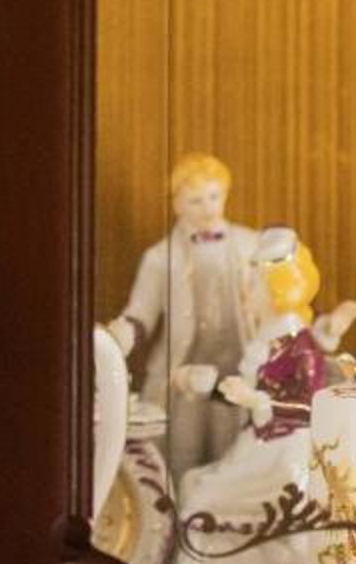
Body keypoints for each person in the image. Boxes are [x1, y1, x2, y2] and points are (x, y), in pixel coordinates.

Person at [150, 229, 356, 564]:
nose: (246, 293)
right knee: (196, 487)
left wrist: (255, 401)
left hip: (288, 451)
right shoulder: (267, 337)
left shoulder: (299, 345)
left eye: (254, 285)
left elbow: (308, 408)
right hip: (260, 443)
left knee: (206, 499)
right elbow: (248, 394)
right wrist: (209, 386)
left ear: (276, 290)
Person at [104, 152, 265, 480]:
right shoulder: (160, 257)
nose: (207, 208)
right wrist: (124, 333)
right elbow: (141, 312)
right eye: (195, 200)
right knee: (183, 452)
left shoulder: (251, 246)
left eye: (214, 196)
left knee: (233, 452)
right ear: (177, 204)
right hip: (183, 375)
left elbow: (272, 302)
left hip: (236, 371)